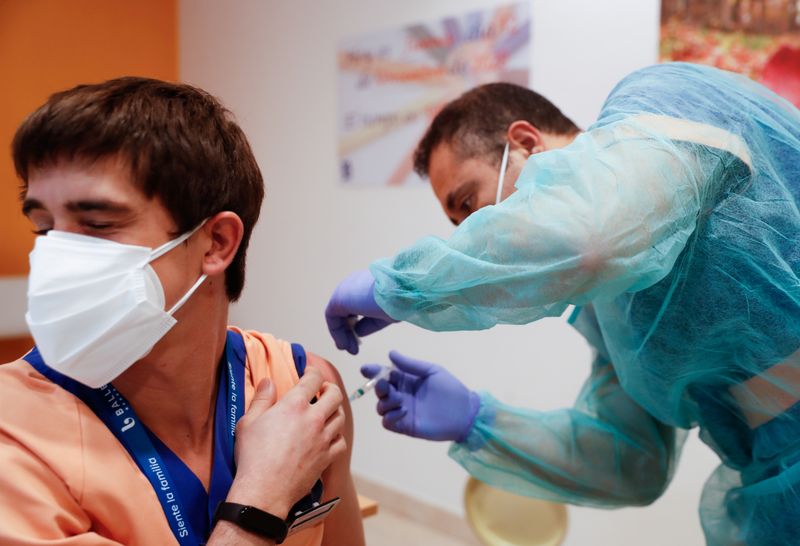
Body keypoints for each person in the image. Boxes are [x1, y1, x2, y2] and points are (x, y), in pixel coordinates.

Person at [324, 62, 800, 546]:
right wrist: (476, 419)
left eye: (469, 204)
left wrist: (400, 285)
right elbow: (634, 463)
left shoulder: (663, 98)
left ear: (526, 144)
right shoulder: (612, 310)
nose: (471, 236)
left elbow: (593, 238)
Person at [0, 77, 365, 546]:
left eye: (96, 224)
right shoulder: (15, 437)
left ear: (216, 243)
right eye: (45, 228)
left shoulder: (305, 389)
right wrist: (260, 502)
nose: (59, 257)